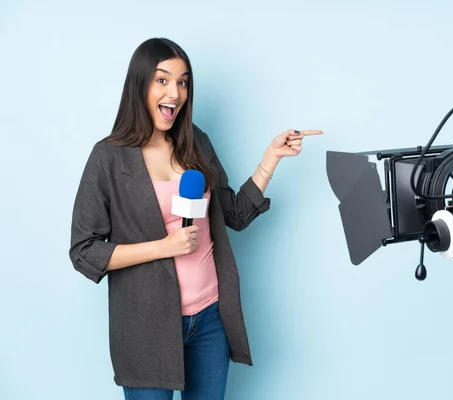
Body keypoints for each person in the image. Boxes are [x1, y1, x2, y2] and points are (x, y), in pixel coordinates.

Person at [68, 37, 322, 400]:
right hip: (145, 327)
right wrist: (163, 247)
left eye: (183, 82)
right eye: (162, 80)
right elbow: (84, 251)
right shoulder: (109, 158)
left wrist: (271, 157)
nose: (175, 92)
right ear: (139, 84)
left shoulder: (196, 142)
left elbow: (233, 214)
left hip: (210, 320)